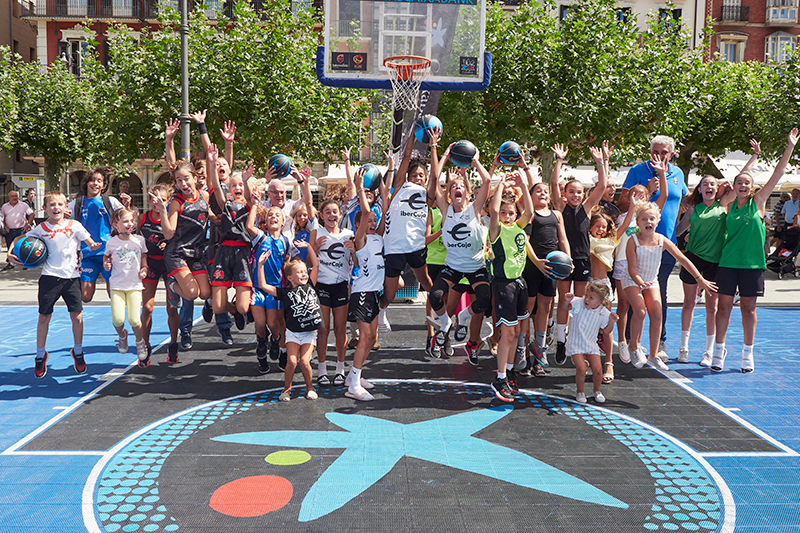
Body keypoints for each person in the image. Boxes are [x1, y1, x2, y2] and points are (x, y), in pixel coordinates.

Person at [713, 128, 799, 373]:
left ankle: (747, 354)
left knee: (748, 309)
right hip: (728, 263)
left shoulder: (758, 202)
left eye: (746, 183)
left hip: (752, 265)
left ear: (751, 188)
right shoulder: (727, 205)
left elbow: (778, 172)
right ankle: (719, 350)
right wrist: (751, 159)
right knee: (724, 308)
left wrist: (790, 146)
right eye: (739, 181)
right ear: (734, 186)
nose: (743, 185)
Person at [675, 142, 757, 366]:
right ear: (700, 189)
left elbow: (744, 179)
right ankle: (684, 347)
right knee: (689, 302)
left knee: (712, 307)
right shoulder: (693, 209)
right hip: (693, 260)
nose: (709, 186)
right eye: (705, 184)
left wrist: (754, 156)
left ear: (718, 188)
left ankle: (710, 351)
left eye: (712, 183)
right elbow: (677, 232)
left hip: (715, 263)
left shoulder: (723, 204)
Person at [8, 191, 100, 378]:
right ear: (44, 208)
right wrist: (10, 253)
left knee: (77, 316)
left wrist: (95, 246)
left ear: (66, 207)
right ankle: (40, 356)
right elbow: (19, 239)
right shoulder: (41, 228)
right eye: (52, 205)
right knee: (44, 317)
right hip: (49, 278)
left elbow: (90, 242)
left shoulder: (74, 226)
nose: (56, 207)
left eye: (60, 204)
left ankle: (78, 351)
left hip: (72, 278)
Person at [622, 198, 717, 372]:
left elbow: (683, 259)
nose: (648, 222)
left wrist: (699, 279)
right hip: (632, 280)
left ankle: (653, 355)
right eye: (644, 219)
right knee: (640, 310)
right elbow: (632, 269)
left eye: (652, 219)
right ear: (638, 222)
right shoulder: (632, 241)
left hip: (651, 280)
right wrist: (640, 283)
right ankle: (634, 347)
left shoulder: (663, 240)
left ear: (658, 221)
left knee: (657, 313)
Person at [622, 135, 688, 362]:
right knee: (637, 295)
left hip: (665, 242)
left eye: (664, 152)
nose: (659, 156)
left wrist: (679, 231)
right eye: (656, 152)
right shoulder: (637, 171)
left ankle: (659, 343)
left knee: (660, 294)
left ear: (671, 153)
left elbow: (683, 203)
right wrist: (649, 191)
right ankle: (633, 341)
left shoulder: (678, 174)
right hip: (639, 244)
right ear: (650, 152)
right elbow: (623, 204)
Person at [425, 139, 492, 351]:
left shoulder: (474, 209)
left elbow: (488, 181)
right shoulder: (446, 210)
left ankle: (463, 317)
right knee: (435, 296)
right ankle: (445, 323)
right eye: (454, 186)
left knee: (483, 300)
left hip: (475, 266)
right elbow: (434, 180)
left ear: (468, 193)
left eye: (462, 186)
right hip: (452, 266)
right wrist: (443, 155)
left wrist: (475, 163)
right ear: (449, 193)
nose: (458, 188)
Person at [550, 143, 608, 365]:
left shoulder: (586, 209)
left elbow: (601, 186)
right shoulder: (559, 207)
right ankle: (561, 341)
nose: (575, 195)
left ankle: (581, 341)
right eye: (571, 191)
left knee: (583, 302)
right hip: (564, 260)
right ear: (565, 194)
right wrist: (559, 160)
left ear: (583, 195)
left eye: (579, 192)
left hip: (582, 260)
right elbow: (554, 182)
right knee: (564, 301)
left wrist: (600, 161)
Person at [150, 160, 211, 364]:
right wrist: (163, 210)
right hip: (177, 253)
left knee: (206, 293)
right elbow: (168, 233)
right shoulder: (177, 201)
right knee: (191, 294)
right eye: (178, 180)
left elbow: (209, 216)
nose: (183, 183)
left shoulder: (204, 195)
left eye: (186, 178)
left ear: (195, 178)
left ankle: (176, 286)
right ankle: (172, 286)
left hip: (195, 254)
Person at [487, 171, 533, 402]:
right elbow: (494, 211)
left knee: (516, 332)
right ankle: (500, 376)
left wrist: (523, 186)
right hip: (503, 284)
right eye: (504, 212)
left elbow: (530, 212)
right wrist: (501, 185)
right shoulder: (497, 230)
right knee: (507, 333)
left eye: (511, 212)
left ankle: (511, 370)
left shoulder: (518, 228)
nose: (506, 215)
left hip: (519, 283)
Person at [257, 241, 322, 402]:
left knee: (304, 361)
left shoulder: (311, 285)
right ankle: (287, 390)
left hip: (309, 332)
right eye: (299, 272)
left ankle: (310, 388)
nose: (304, 274)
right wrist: (260, 266)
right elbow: (263, 285)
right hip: (293, 333)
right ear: (290, 278)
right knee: (292, 361)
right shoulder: (284, 292)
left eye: (304, 271)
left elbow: (316, 265)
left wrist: (309, 248)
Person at [344, 171, 388, 401]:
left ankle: (354, 376)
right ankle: (352, 386)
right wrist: (360, 188)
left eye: (374, 221)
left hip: (373, 293)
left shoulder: (378, 237)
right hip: (361, 293)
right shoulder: (359, 239)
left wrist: (383, 187)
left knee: (371, 338)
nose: (372, 223)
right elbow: (363, 211)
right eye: (368, 221)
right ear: (359, 224)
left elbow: (385, 210)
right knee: (365, 337)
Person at [310, 192, 355, 386]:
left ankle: (339, 369)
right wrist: (316, 250)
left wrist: (354, 250)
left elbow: (357, 263)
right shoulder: (316, 233)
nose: (331, 215)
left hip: (341, 286)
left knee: (340, 329)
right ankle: (321, 371)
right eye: (327, 212)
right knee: (323, 329)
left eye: (335, 212)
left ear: (340, 214)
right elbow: (306, 263)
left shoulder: (348, 234)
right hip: (321, 285)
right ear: (321, 215)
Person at [207, 144, 253, 330]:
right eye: (234, 185)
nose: (237, 187)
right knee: (218, 307)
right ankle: (232, 310)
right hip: (223, 251)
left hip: (242, 251)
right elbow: (216, 186)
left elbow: (250, 197)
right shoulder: (224, 203)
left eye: (240, 185)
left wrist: (246, 180)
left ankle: (240, 310)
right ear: (229, 189)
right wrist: (212, 163)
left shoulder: (249, 205)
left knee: (244, 306)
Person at [247, 197, 291, 374]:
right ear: (265, 221)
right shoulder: (259, 237)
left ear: (282, 222)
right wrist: (255, 204)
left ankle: (275, 339)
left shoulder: (285, 242)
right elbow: (249, 226)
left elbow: (288, 263)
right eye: (270, 215)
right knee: (260, 322)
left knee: (273, 323)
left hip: (274, 289)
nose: (273, 217)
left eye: (277, 215)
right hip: (257, 287)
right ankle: (261, 353)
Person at [68, 167, 124, 302]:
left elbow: (126, 218)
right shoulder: (78, 203)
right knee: (86, 297)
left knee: (115, 296)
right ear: (86, 183)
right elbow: (60, 216)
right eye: (92, 180)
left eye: (99, 181)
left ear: (103, 185)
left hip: (109, 253)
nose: (96, 183)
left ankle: (120, 320)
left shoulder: (110, 201)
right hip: (88, 253)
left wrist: (127, 206)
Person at [139, 183, 180, 368]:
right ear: (149, 201)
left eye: (162, 200)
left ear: (168, 201)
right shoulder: (142, 218)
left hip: (168, 264)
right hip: (150, 265)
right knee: (147, 308)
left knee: (172, 309)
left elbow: (177, 238)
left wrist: (169, 245)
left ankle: (173, 344)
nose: (158, 202)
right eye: (155, 199)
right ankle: (145, 346)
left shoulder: (171, 218)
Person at [104, 208, 149, 363]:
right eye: (125, 221)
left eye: (131, 221)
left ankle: (140, 342)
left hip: (135, 285)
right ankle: (123, 336)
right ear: (116, 225)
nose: (130, 224)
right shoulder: (111, 242)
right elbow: (106, 257)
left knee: (135, 320)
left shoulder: (139, 240)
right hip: (117, 285)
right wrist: (106, 264)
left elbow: (143, 256)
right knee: (117, 320)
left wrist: (144, 268)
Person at [564, 281, 618, 404]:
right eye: (586, 295)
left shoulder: (604, 312)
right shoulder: (578, 302)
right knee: (582, 368)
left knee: (598, 370)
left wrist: (611, 322)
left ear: (601, 302)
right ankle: (580, 391)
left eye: (591, 297)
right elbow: (564, 308)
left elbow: (606, 330)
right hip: (575, 343)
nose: (587, 299)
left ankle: (597, 391)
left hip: (591, 344)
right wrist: (567, 301)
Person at [611, 185, 647, 366]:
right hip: (622, 264)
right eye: (635, 194)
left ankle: (636, 342)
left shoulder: (649, 219)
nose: (638, 198)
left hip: (642, 266)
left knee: (641, 307)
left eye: (643, 195)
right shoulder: (621, 219)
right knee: (623, 304)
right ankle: (622, 342)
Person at [2, 190, 34, 270]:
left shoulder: (23, 205)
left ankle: (24, 263)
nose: (14, 198)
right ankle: (11, 263)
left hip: (20, 230)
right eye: (12, 196)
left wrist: (28, 225)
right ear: (9, 197)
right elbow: (2, 217)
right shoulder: (5, 206)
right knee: (10, 246)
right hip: (10, 231)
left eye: (16, 196)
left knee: (22, 247)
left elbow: (31, 214)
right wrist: (5, 226)